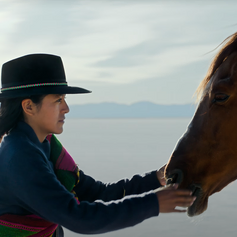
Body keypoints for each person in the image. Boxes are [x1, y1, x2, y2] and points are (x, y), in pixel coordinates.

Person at [0, 54, 195, 237]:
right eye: (58, 100)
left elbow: (97, 193)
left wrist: (155, 179)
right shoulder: (20, 156)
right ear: (29, 107)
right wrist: (154, 203)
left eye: (65, 100)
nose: (66, 108)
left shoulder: (45, 146)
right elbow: (78, 217)